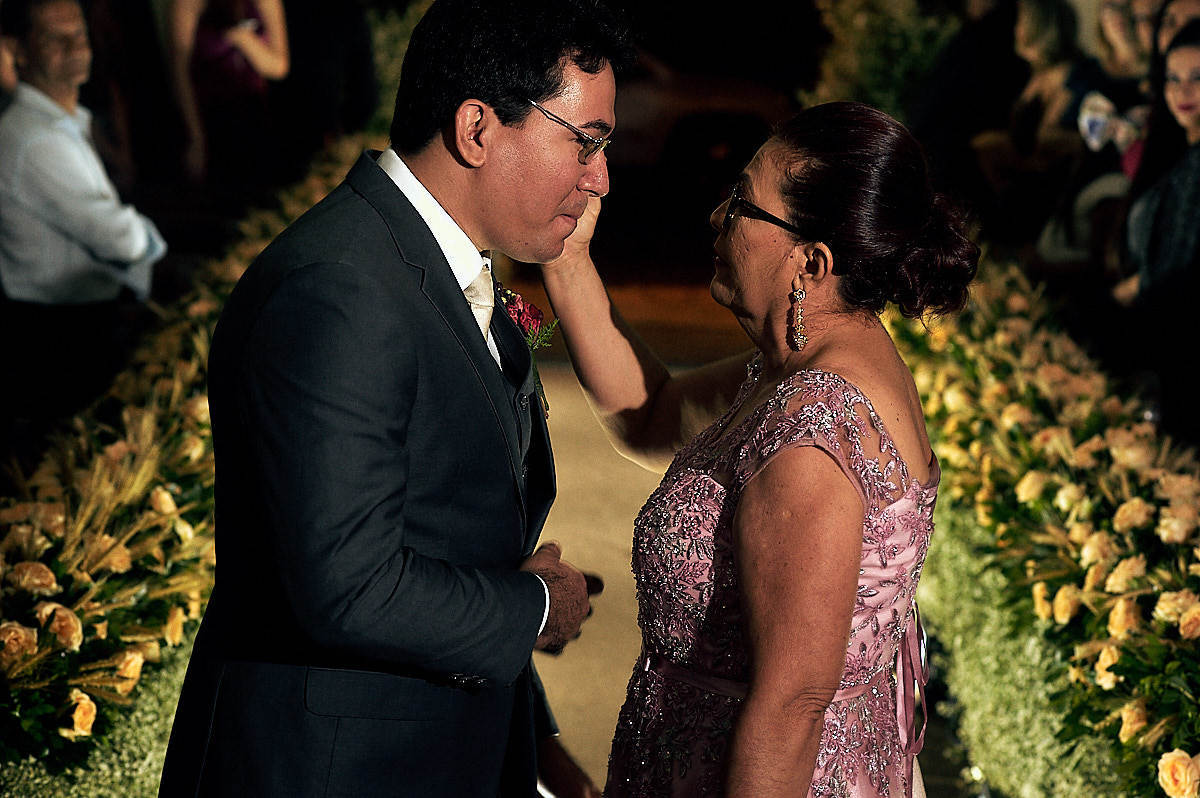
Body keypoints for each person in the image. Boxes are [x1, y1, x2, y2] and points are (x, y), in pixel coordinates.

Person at [157, 1, 633, 796]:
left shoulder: (420, 263)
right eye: (585, 142)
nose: (600, 179)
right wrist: (533, 610)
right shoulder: (340, 287)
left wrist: (534, 740)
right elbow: (346, 582)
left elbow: (449, 543)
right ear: (478, 128)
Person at [539, 101, 979, 797]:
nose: (718, 216)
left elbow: (791, 708)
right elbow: (651, 414)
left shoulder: (813, 434)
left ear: (812, 260)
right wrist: (566, 260)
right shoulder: (811, 365)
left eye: (744, 204)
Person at [0, 0, 166, 423]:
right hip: (57, 334)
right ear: (18, 50)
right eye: (57, 38)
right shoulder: (33, 138)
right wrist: (145, 235)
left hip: (75, 321)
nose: (76, 47)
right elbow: (122, 238)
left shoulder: (62, 123)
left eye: (80, 34)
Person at [1110, 20, 1200, 443]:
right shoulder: (1180, 151)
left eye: (1199, 78)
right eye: (1174, 79)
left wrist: (1136, 287)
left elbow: (1185, 261)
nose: (1183, 92)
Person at [166, 0, 289, 190]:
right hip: (212, 118)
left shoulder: (264, 2)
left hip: (259, 112)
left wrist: (241, 37)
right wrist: (195, 136)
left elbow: (279, 66)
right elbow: (180, 74)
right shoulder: (187, 4)